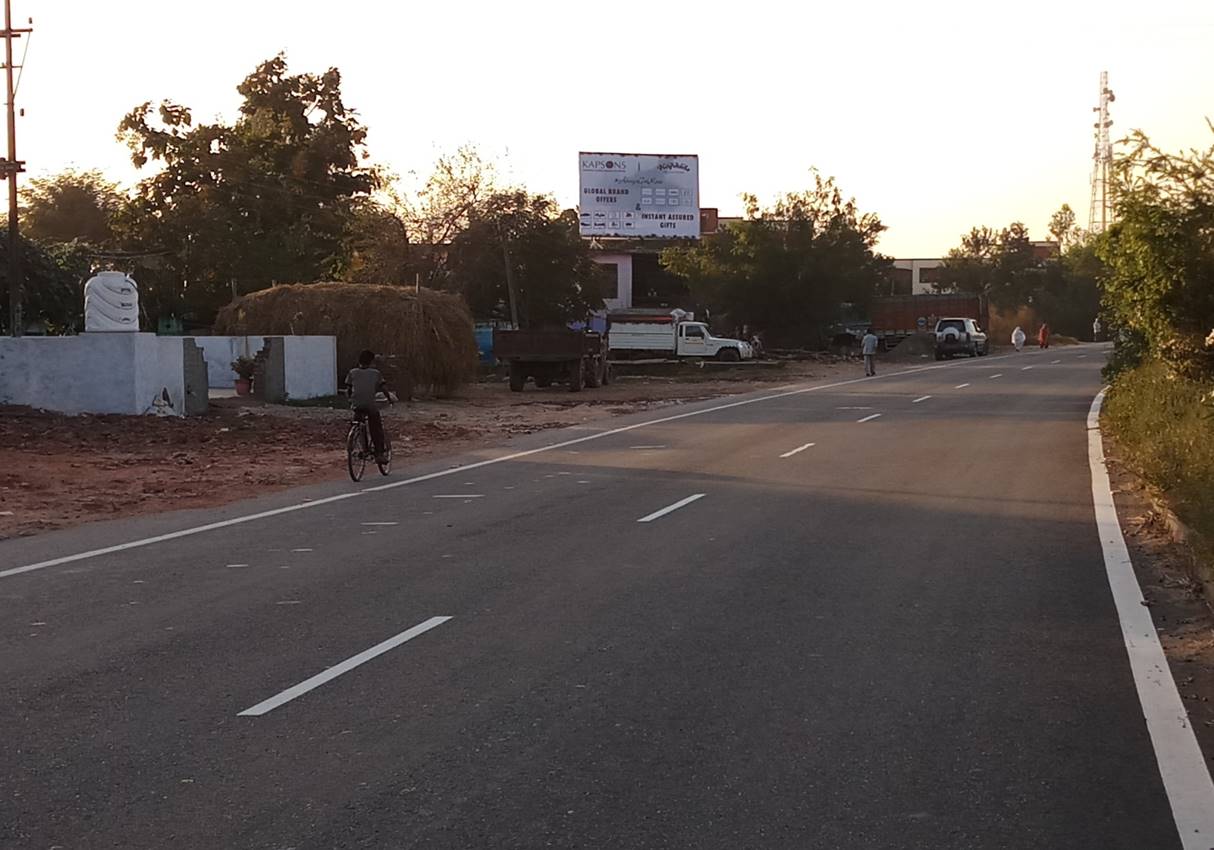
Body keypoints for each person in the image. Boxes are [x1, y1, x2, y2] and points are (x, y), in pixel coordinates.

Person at [343, 349, 392, 463]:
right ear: (371, 362)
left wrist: (351, 400)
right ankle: (379, 453)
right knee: (376, 427)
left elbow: (348, 390)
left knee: (358, 422)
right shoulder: (375, 373)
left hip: (356, 405)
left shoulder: (352, 372)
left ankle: (363, 448)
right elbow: (383, 388)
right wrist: (389, 399)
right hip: (370, 405)